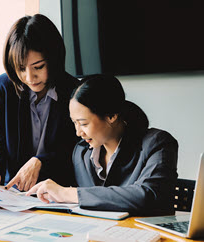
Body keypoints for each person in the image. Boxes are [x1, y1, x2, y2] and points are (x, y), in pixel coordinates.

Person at [26, 74, 178, 215]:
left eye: (83, 123)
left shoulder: (158, 143)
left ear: (111, 115)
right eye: (74, 123)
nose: (79, 132)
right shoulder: (82, 152)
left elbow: (147, 196)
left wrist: (68, 193)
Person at [0, 14, 79, 191]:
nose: (30, 77)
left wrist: (41, 161)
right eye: (21, 68)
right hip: (13, 192)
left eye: (38, 67)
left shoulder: (74, 91)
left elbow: (77, 146)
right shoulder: (3, 87)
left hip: (57, 192)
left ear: (53, 59)